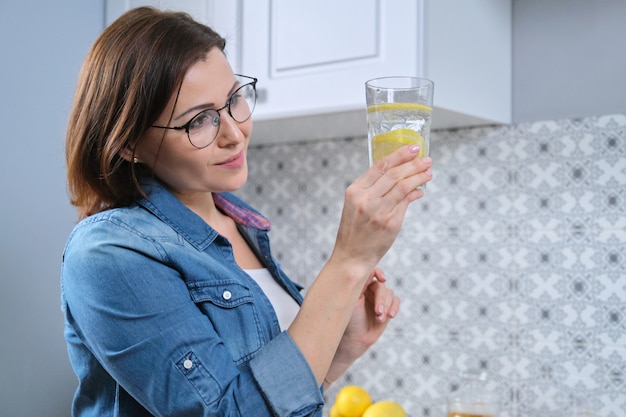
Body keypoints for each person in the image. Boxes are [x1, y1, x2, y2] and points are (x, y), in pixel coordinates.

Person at [61, 6, 433, 417]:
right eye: (199, 120)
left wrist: (341, 351)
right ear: (128, 143)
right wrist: (348, 261)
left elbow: (277, 398)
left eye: (235, 99)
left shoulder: (241, 223)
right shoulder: (107, 253)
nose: (235, 133)